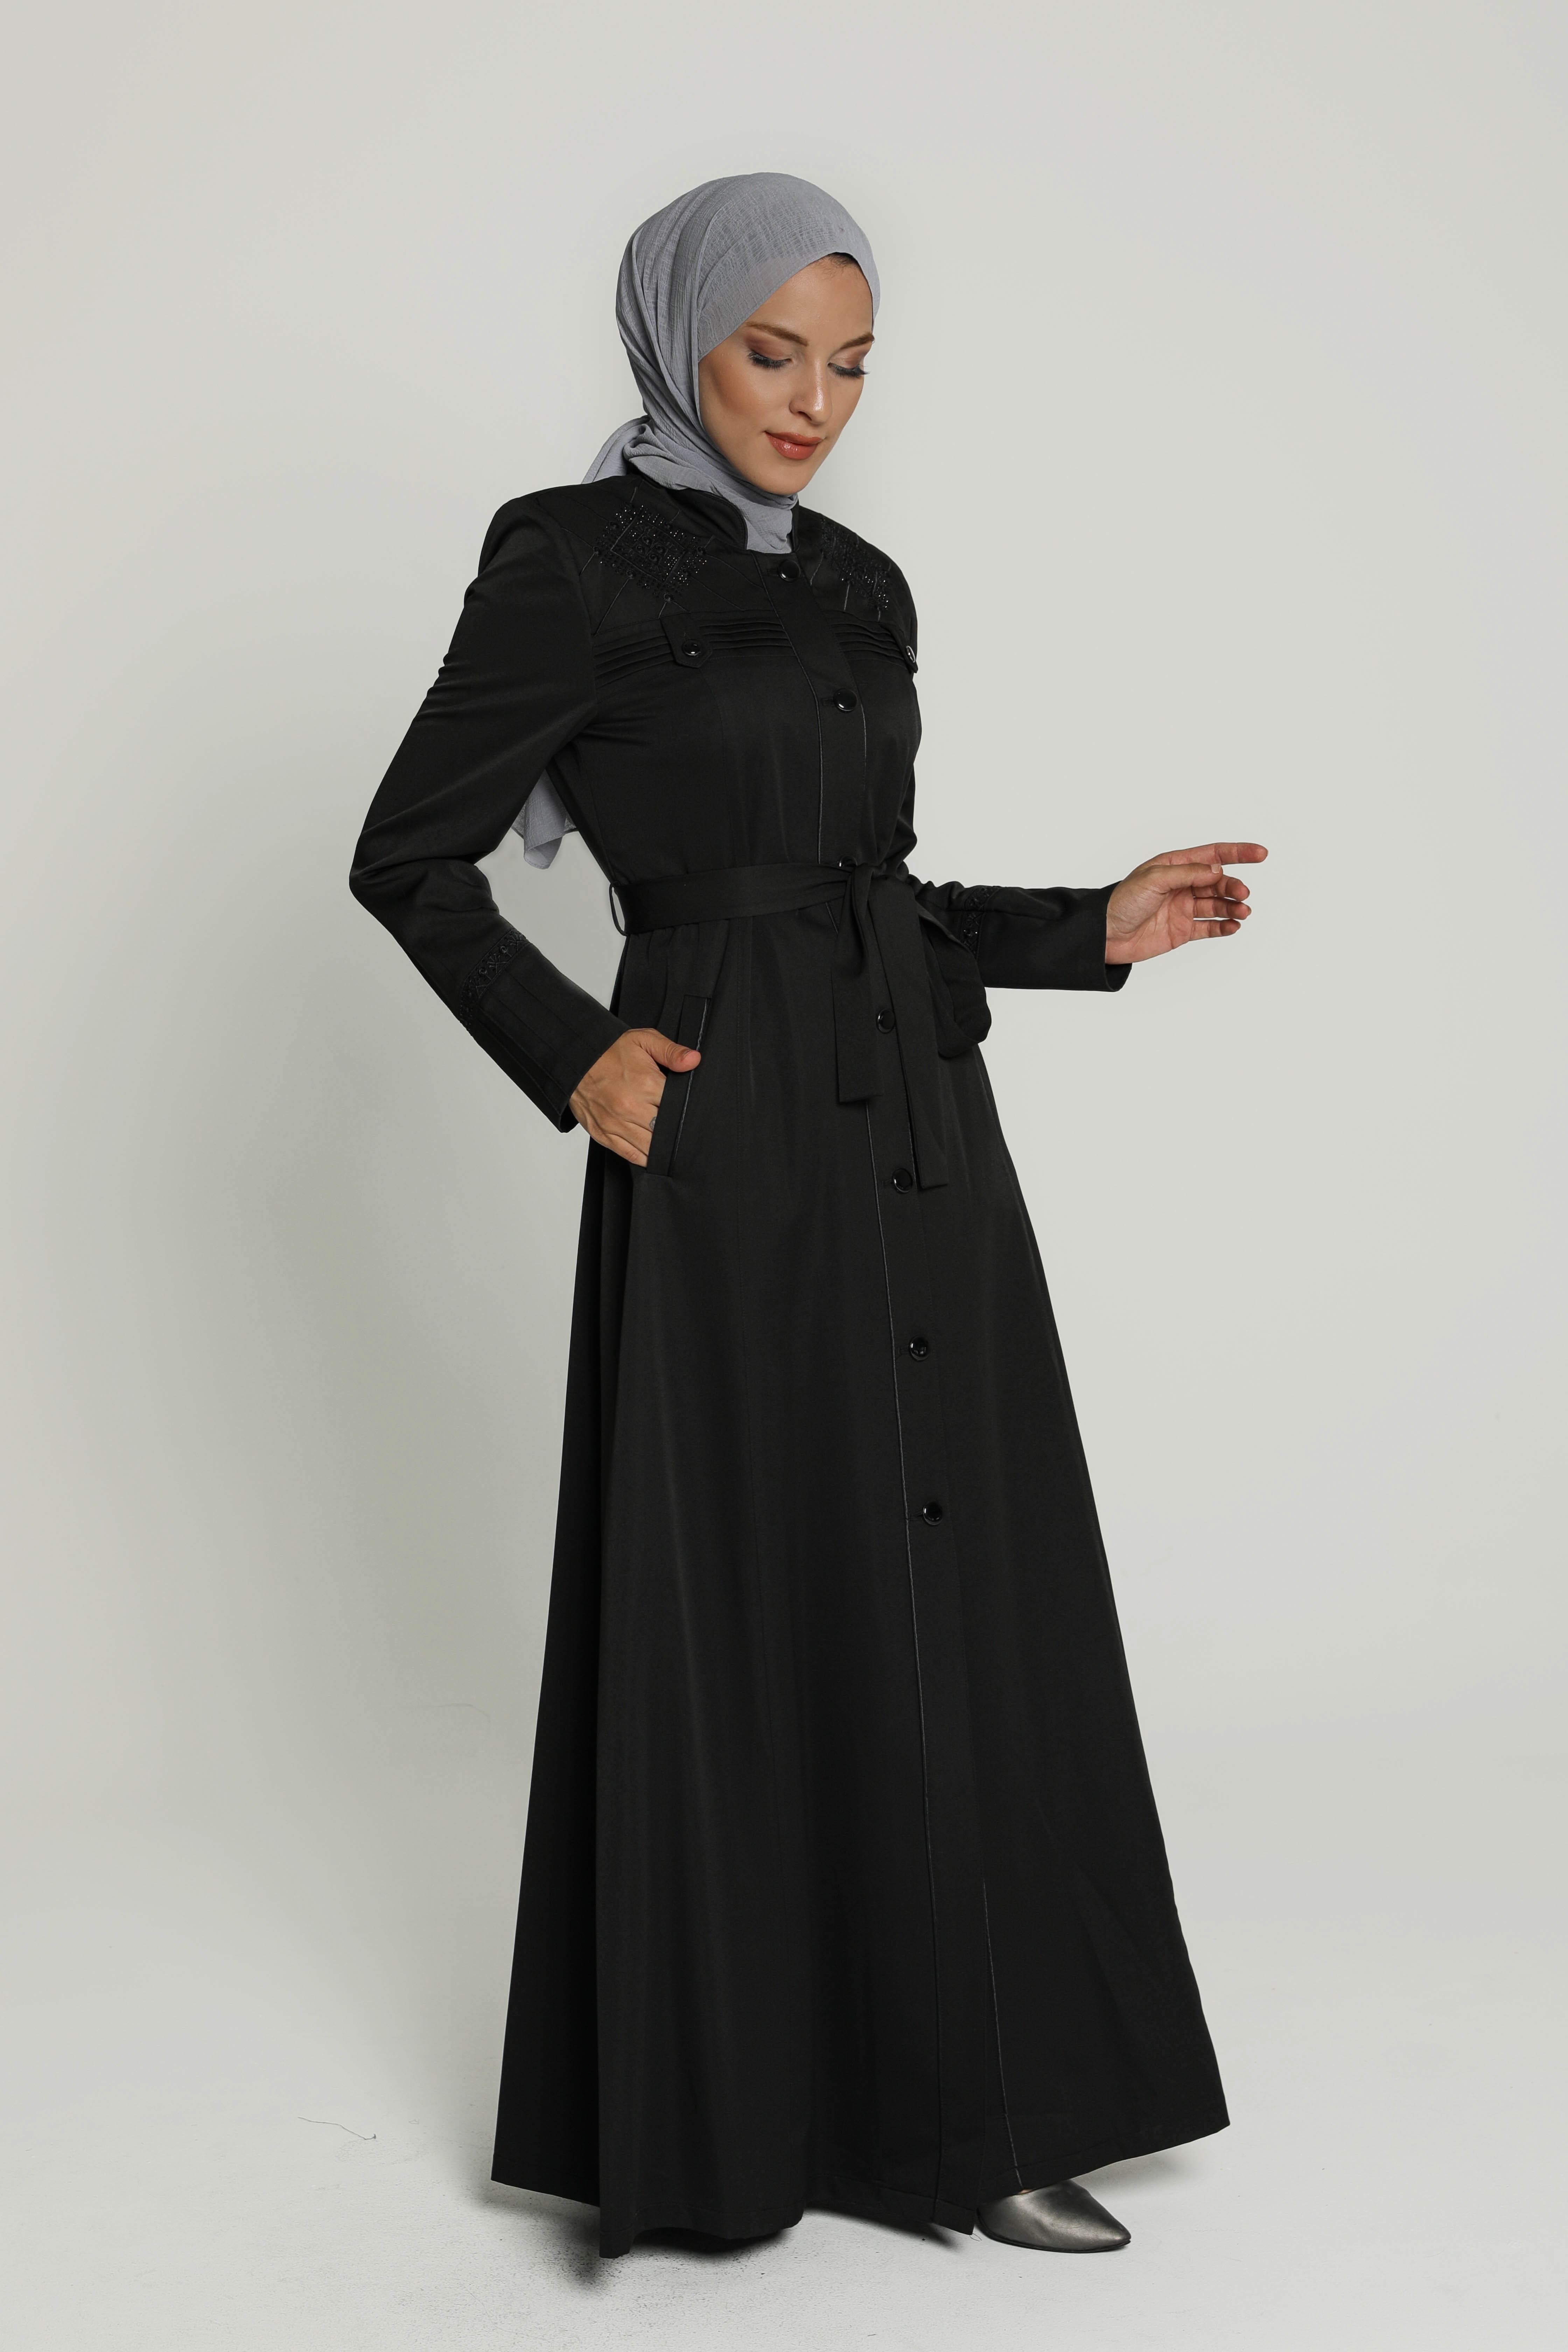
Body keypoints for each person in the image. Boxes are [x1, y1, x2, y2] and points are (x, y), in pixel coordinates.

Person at [350, 173, 1262, 2260]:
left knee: (970, 1591)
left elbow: (873, 895)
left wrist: (1087, 928)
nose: (815, 404)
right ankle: (747, 2123)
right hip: (726, 1129)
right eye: (773, 355)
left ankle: (990, 2107)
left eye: (852, 366)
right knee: (768, 1591)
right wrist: (572, 1054)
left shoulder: (863, 586)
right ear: (680, 337)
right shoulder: (570, 559)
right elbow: (410, 856)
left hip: (920, 1125)